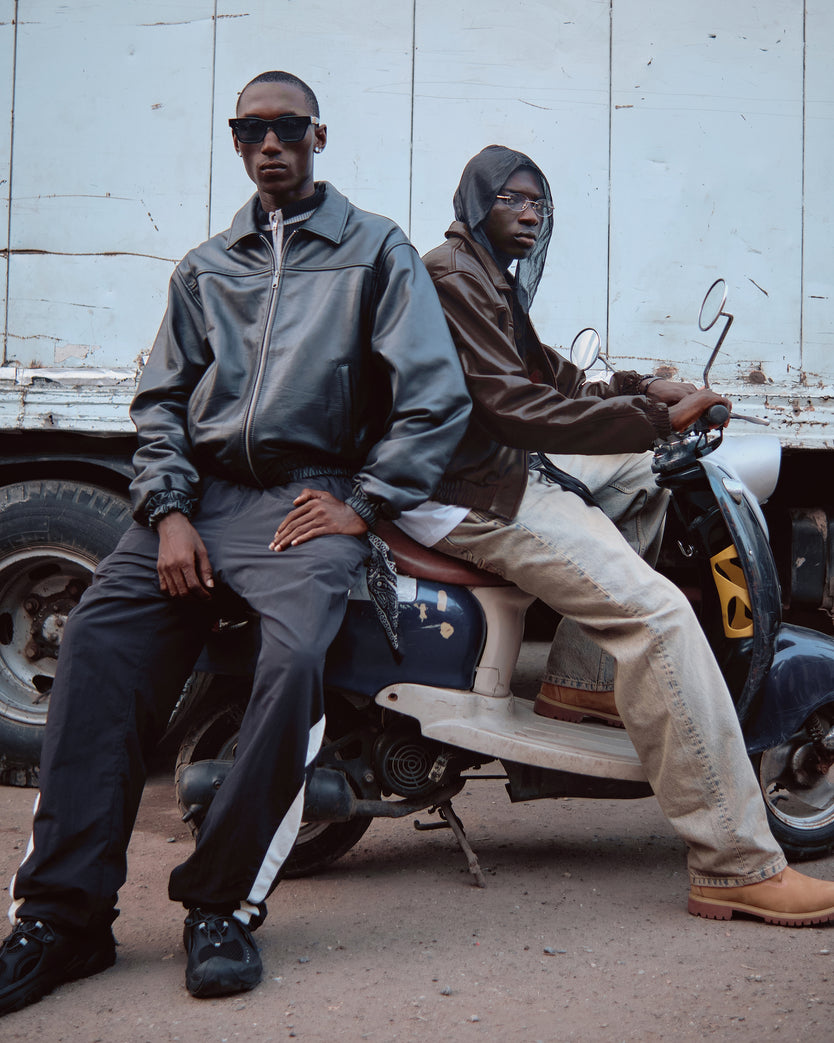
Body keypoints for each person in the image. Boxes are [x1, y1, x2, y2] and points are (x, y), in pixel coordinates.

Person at [0, 71, 470, 1015]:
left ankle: (221, 906)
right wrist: (169, 511)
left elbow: (434, 395)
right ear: (236, 141)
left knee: (293, 662)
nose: (270, 145)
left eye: (288, 128)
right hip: (200, 497)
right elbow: (161, 403)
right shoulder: (205, 268)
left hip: (309, 498)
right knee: (95, 643)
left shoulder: (376, 252)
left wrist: (366, 502)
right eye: (251, 131)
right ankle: (63, 917)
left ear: (318, 136)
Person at [395, 144, 834, 926]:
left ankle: (580, 679)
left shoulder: (486, 276)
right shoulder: (452, 278)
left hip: (491, 467)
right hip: (473, 492)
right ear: (476, 202)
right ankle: (734, 861)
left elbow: (549, 377)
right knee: (659, 616)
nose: (529, 213)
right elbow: (515, 409)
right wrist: (650, 419)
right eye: (511, 199)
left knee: (643, 477)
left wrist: (642, 387)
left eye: (537, 201)